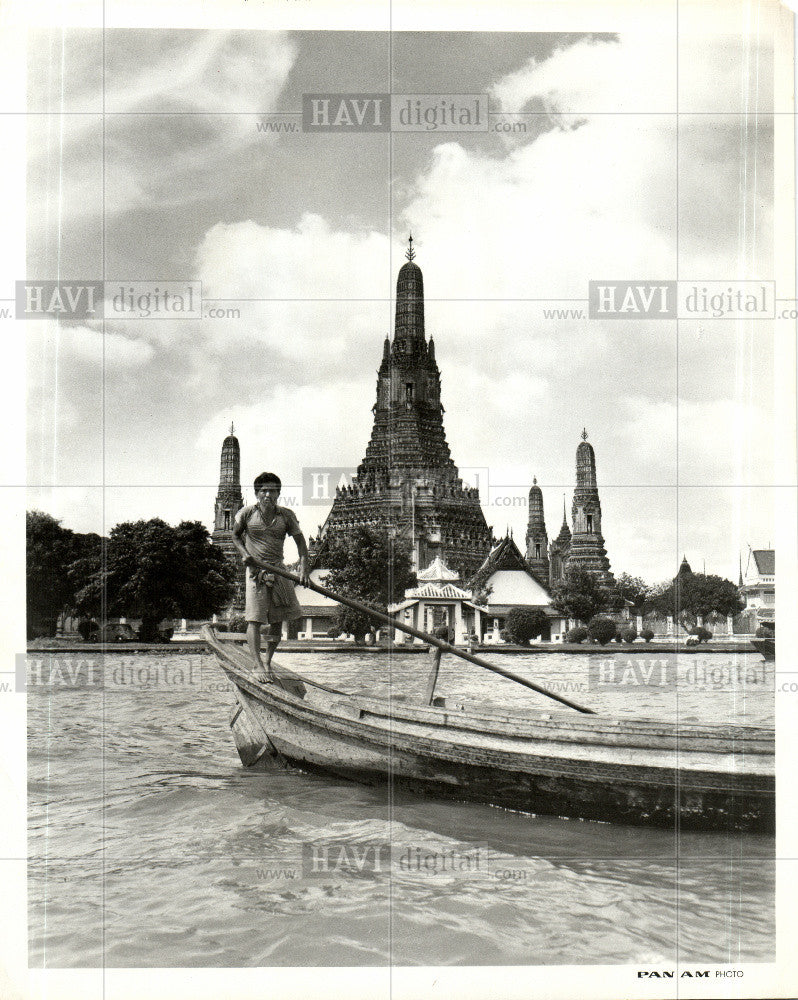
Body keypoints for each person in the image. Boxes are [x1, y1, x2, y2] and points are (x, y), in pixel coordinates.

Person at [231, 472, 310, 681]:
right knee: (254, 619)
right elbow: (235, 536)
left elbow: (301, 544)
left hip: (278, 569)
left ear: (278, 493)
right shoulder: (247, 514)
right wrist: (245, 554)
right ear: (257, 493)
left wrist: (303, 570)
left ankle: (267, 661)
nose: (268, 494)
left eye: (272, 490)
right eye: (263, 490)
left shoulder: (286, 515)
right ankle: (257, 665)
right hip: (255, 571)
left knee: (278, 619)